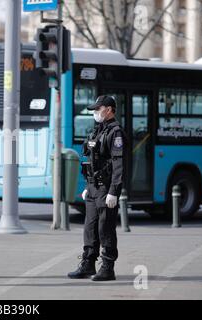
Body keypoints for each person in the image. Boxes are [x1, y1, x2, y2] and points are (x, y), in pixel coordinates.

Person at [68, 95, 126, 281]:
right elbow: (92, 160)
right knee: (90, 226)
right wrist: (88, 186)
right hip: (93, 187)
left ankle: (108, 267)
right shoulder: (98, 130)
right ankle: (88, 264)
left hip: (106, 188)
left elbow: (118, 165)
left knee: (105, 227)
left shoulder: (115, 133)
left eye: (98, 109)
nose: (95, 113)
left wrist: (113, 191)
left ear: (109, 110)